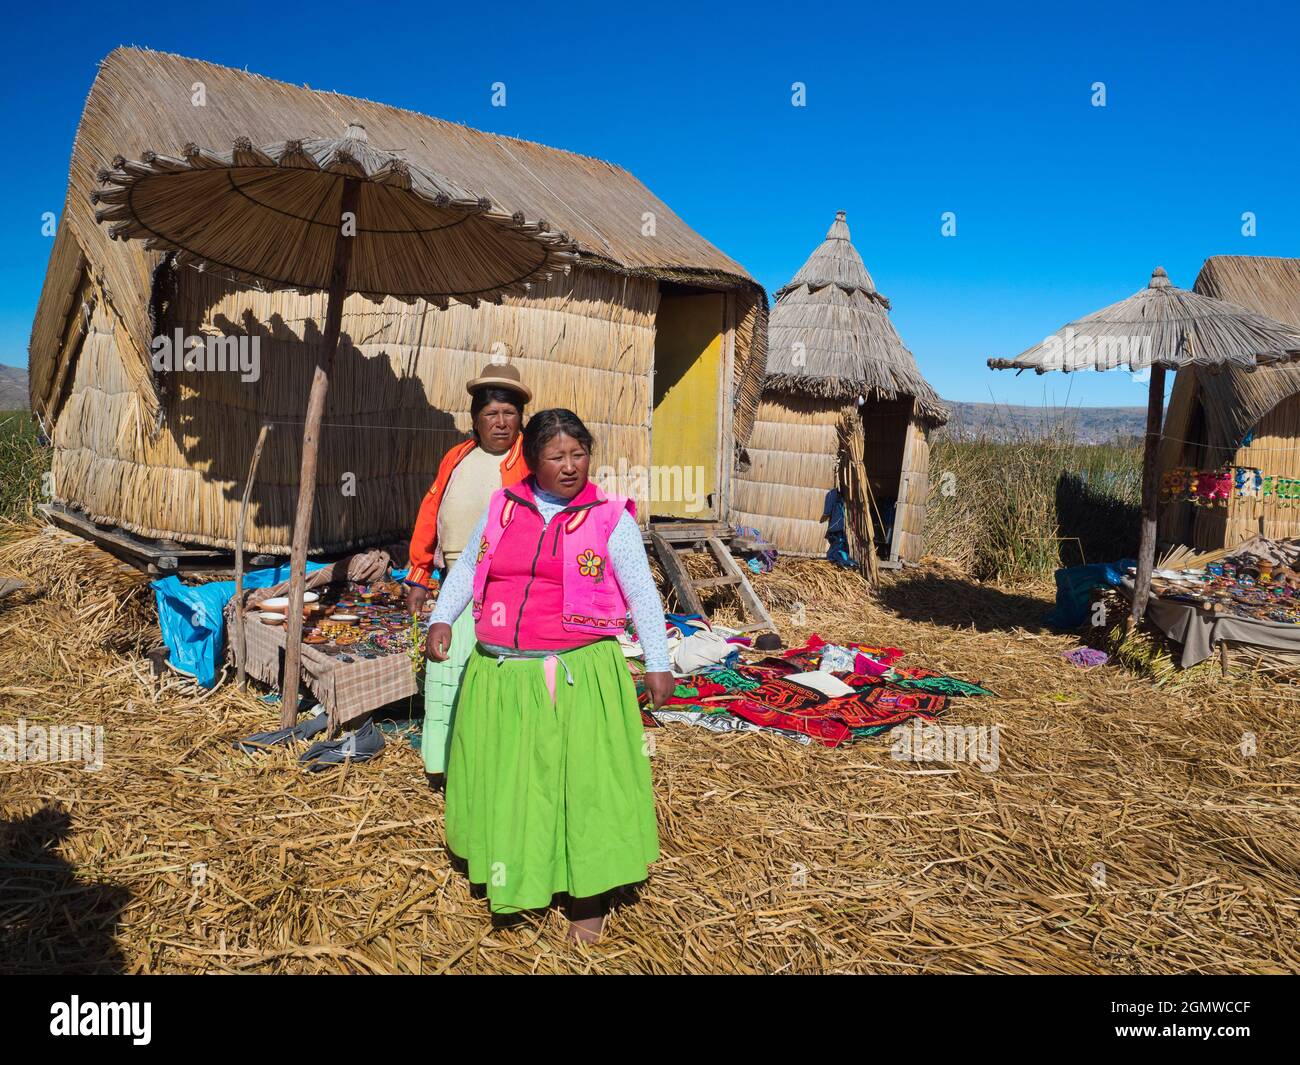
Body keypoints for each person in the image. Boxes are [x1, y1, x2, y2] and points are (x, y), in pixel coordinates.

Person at [426, 408, 674, 943]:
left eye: (578, 455)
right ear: (532, 459)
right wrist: (442, 617)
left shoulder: (611, 518)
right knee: (515, 783)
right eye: (556, 456)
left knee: (582, 784)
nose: (569, 466)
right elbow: (470, 567)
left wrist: (658, 661)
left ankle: (589, 893)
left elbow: (642, 593)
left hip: (577, 674)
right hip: (502, 676)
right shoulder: (503, 508)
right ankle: (517, 876)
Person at [405, 362, 530, 784]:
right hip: (454, 582)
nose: (500, 422)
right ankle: (441, 764)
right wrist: (419, 574)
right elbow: (431, 510)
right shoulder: (457, 457)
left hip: (507, 591)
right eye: (491, 413)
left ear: (521, 418)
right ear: (475, 419)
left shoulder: (529, 461)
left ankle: (493, 762)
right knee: (445, 669)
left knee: (497, 673)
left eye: (509, 413)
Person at [820, 486, 855, 568]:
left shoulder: (835, 495)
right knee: (838, 543)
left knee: (838, 544)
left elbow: (827, 512)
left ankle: (839, 560)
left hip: (837, 526)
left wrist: (824, 517)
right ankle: (838, 560)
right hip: (837, 526)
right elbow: (827, 511)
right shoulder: (834, 494)